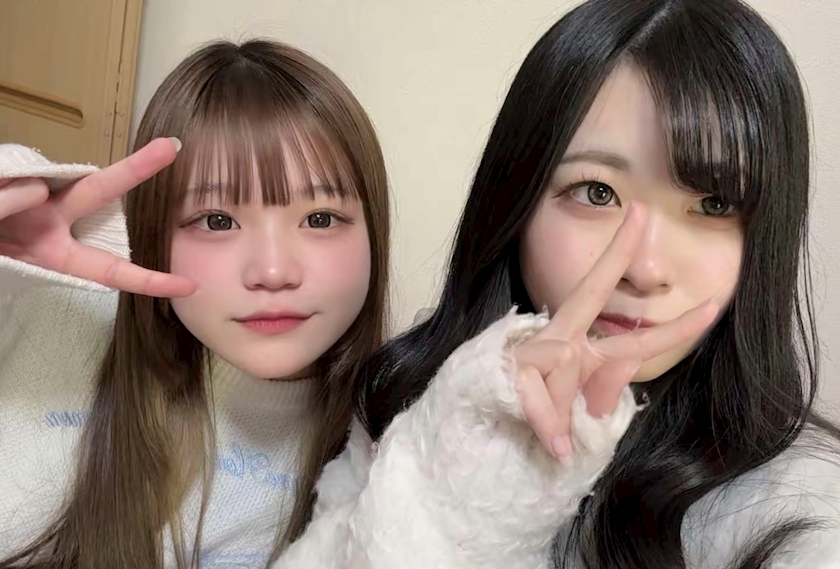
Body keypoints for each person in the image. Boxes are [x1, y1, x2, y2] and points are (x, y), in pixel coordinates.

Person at [357, 0, 840, 567]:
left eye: (713, 204)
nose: (645, 269)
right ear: (513, 204)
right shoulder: (407, 404)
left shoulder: (800, 517)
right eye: (597, 193)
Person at [0, 38, 390, 567]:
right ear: (155, 235)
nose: (273, 272)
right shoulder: (59, 333)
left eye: (319, 219)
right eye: (217, 221)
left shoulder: (402, 441)